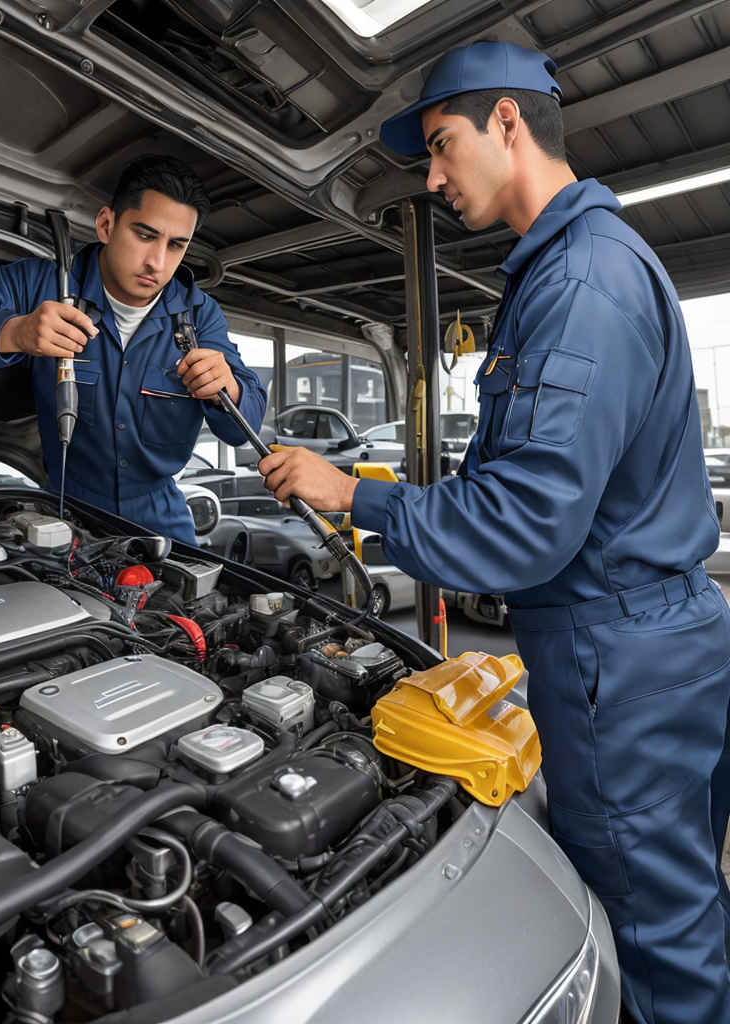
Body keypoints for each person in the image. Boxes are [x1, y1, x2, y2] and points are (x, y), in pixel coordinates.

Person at [260, 40, 730, 1024]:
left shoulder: (580, 286)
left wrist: (358, 495)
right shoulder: (569, 270)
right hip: (640, 644)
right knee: (672, 909)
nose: (430, 179)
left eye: (439, 145)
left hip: (618, 664)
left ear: (506, 122)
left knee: (657, 949)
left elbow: (523, 526)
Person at [0, 154, 266, 545]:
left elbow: (242, 427)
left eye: (176, 245)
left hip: (162, 515)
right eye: (145, 235)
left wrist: (229, 389)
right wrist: (14, 331)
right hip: (67, 509)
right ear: (106, 224)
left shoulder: (199, 315)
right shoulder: (42, 285)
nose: (158, 263)